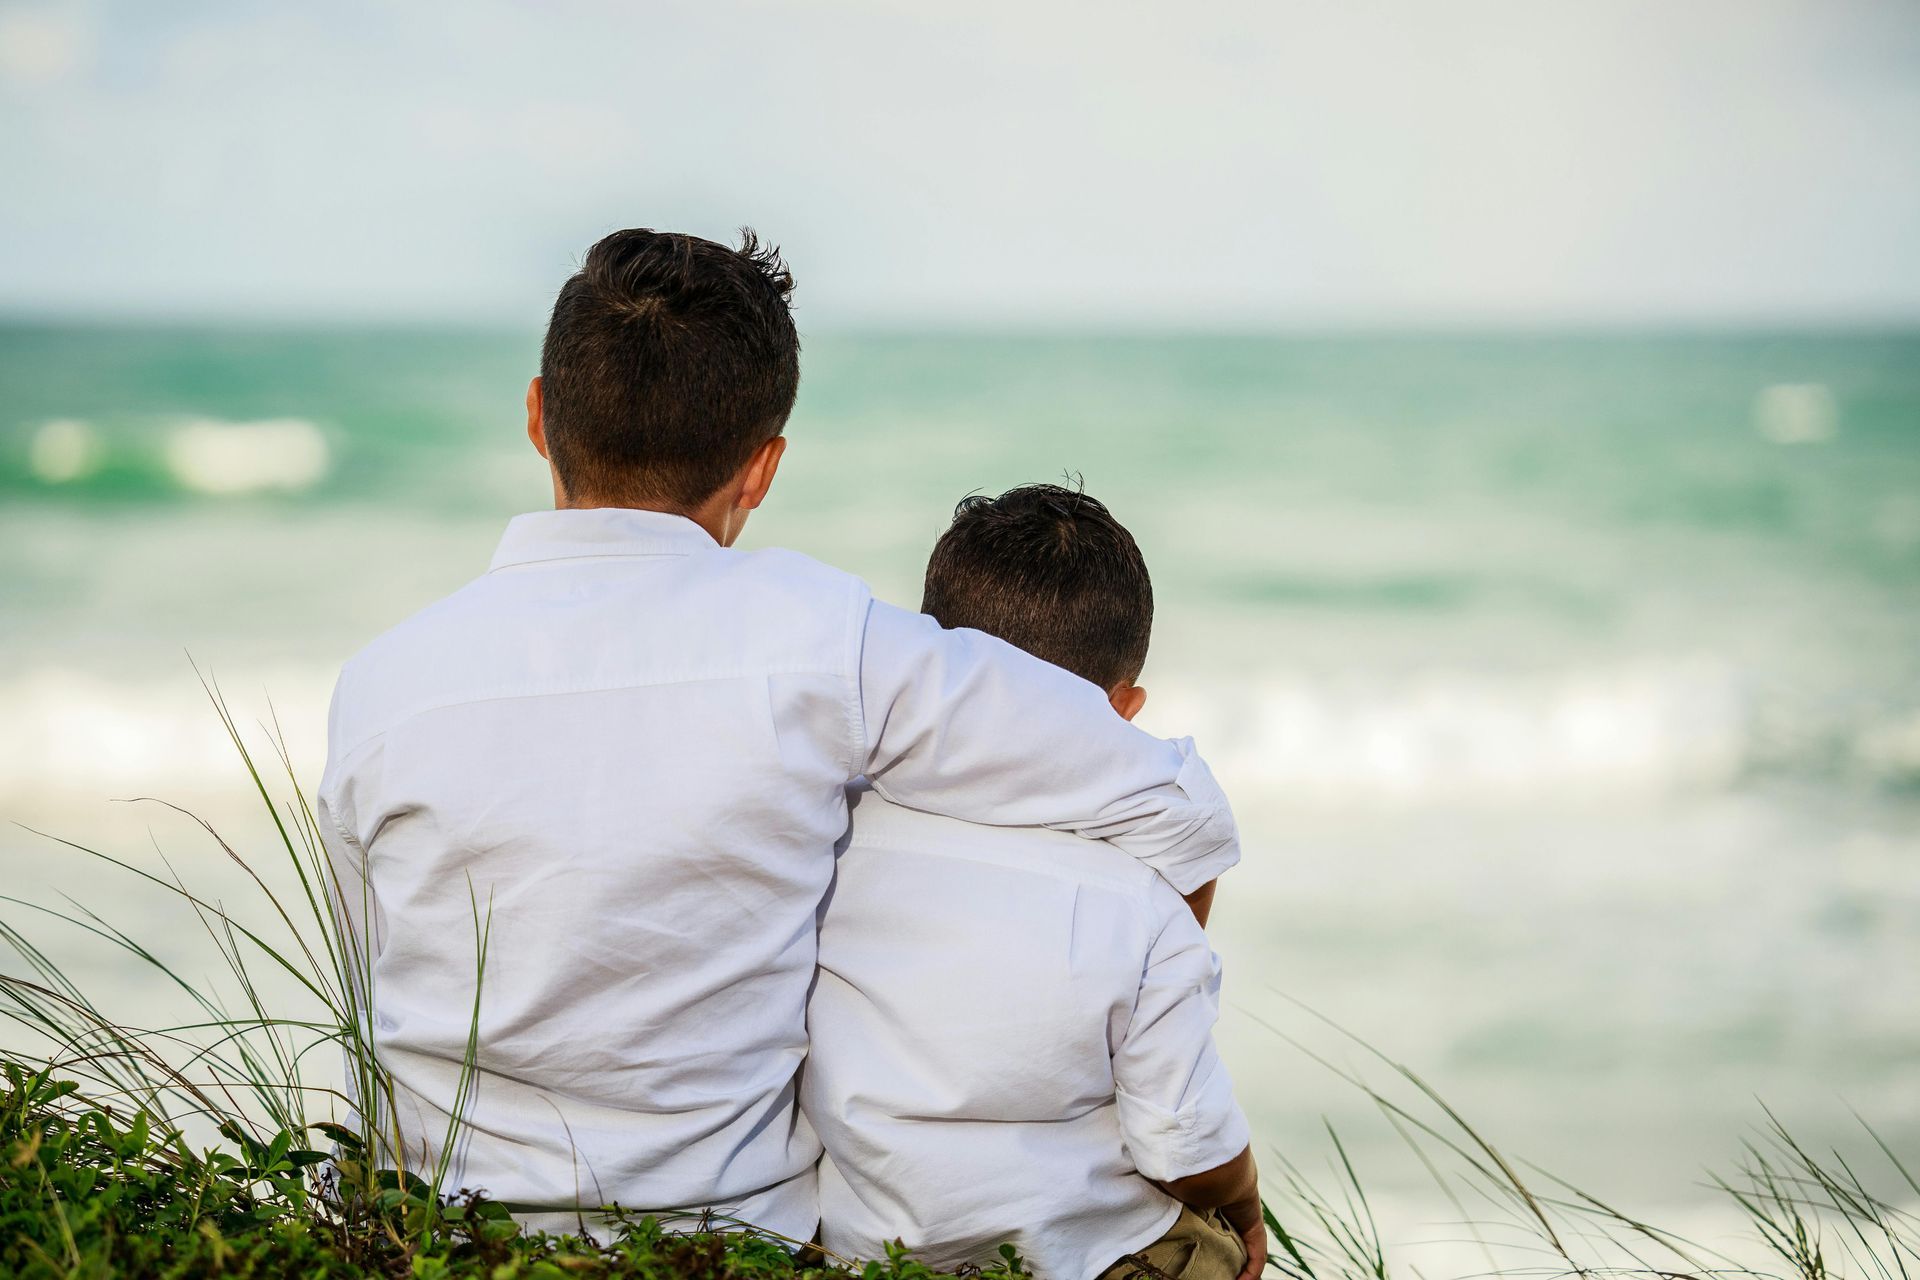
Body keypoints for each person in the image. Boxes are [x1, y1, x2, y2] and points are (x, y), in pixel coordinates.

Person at [315, 230, 1241, 1239]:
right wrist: (1140, 960)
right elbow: (1169, 799)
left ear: (539, 415)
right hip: (728, 1244)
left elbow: (368, 1004)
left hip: (445, 1240)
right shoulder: (826, 642)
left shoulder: (382, 685)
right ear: (761, 469)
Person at [805, 484, 1264, 1280]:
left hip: (863, 1252)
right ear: (1124, 711)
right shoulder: (1141, 905)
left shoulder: (827, 845)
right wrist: (1245, 1198)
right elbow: (1184, 1147)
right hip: (1086, 1255)